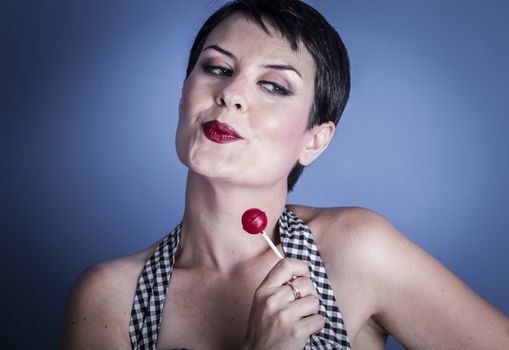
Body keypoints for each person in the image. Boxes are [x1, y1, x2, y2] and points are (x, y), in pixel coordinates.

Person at [61, 0, 509, 349]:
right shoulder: (108, 296)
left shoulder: (356, 251)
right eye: (217, 68)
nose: (231, 94)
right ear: (184, 93)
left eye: (274, 86)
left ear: (314, 140)